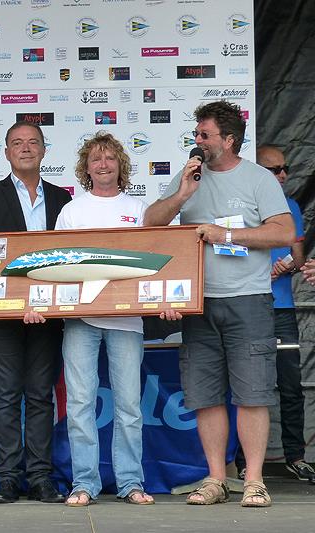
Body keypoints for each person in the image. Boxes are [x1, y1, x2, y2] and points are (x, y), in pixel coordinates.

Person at [145, 101, 294, 507]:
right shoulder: (189, 175)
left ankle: (254, 481)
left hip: (247, 300)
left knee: (252, 393)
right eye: (196, 135)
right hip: (198, 303)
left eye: (204, 135)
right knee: (205, 394)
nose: (197, 142)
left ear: (229, 140)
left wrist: (228, 237)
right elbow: (151, 223)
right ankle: (215, 479)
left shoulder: (259, 178)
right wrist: (182, 195)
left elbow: (283, 232)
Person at [0, 121, 71, 504]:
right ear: (7, 152)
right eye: (17, 143)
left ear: (44, 150)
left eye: (32, 143)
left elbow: (67, 258)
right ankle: (8, 477)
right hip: (3, 314)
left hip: (48, 316)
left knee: (42, 395)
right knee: (8, 395)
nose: (25, 148)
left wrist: (41, 302)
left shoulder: (63, 199)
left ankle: (41, 477)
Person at [53, 132, 154, 506]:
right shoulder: (72, 211)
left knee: (129, 404)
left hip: (128, 320)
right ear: (86, 167)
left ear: (120, 165)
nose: (103, 164)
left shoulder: (139, 208)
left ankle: (131, 483)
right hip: (80, 319)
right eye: (96, 159)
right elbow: (57, 266)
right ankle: (84, 483)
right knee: (79, 403)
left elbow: (153, 264)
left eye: (110, 158)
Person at [232, 146, 313, 482]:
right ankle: (239, 462)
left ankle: (295, 455)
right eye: (274, 169)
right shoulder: (242, 204)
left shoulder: (291, 206)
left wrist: (286, 265)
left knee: (290, 384)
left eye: (285, 169)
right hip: (246, 303)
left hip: (280, 307)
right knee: (243, 385)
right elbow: (228, 248)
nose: (282, 175)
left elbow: (298, 255)